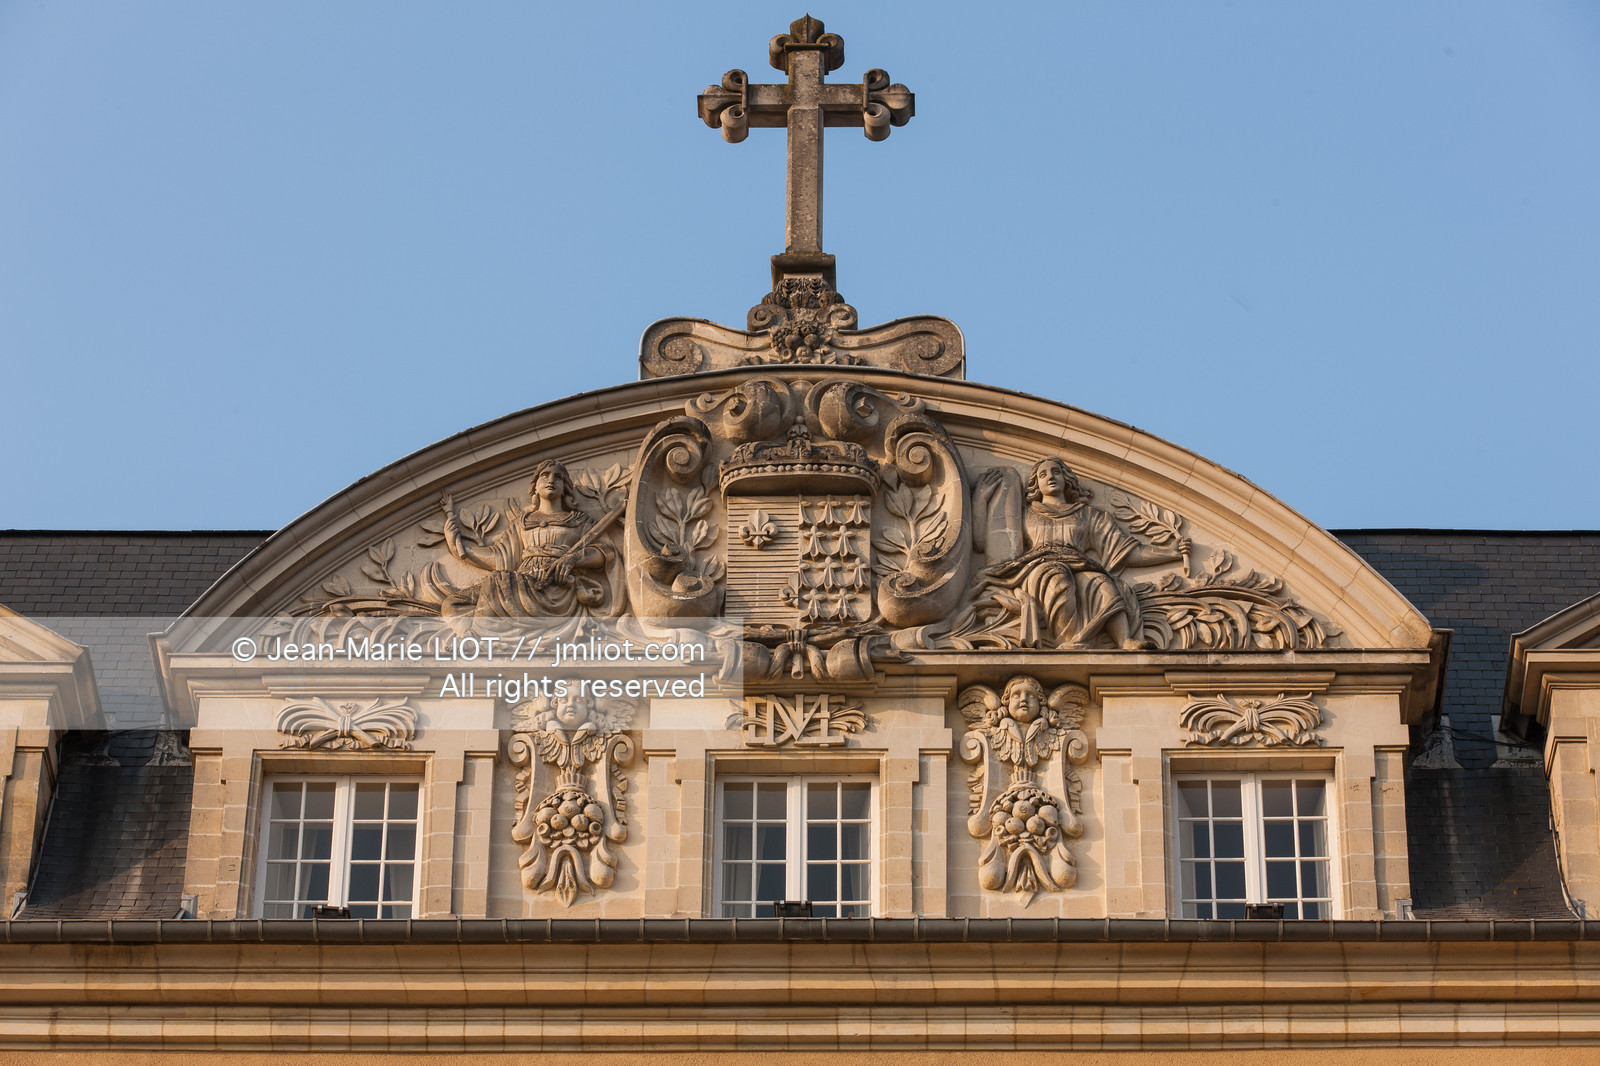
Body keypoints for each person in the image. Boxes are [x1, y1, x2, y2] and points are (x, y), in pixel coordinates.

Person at [982, 457, 1189, 649]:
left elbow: (1125, 550)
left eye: (1056, 472)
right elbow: (983, 541)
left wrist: (1171, 552)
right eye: (1042, 475)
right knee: (1058, 577)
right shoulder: (1026, 515)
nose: (1051, 477)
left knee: (1103, 582)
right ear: (1036, 484)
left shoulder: (1087, 515)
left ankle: (1125, 640)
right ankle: (1068, 643)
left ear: (1067, 479)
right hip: (1039, 566)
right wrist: (980, 501)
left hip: (1079, 563)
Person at [442, 460, 614, 619]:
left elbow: (604, 552)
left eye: (558, 477)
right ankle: (472, 640)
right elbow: (499, 557)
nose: (551, 480)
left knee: (495, 581)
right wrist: (457, 546)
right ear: (535, 487)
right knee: (453, 604)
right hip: (521, 584)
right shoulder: (522, 523)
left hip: (556, 587)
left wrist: (573, 559)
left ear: (565, 488)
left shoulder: (579, 520)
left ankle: (481, 642)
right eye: (544, 476)